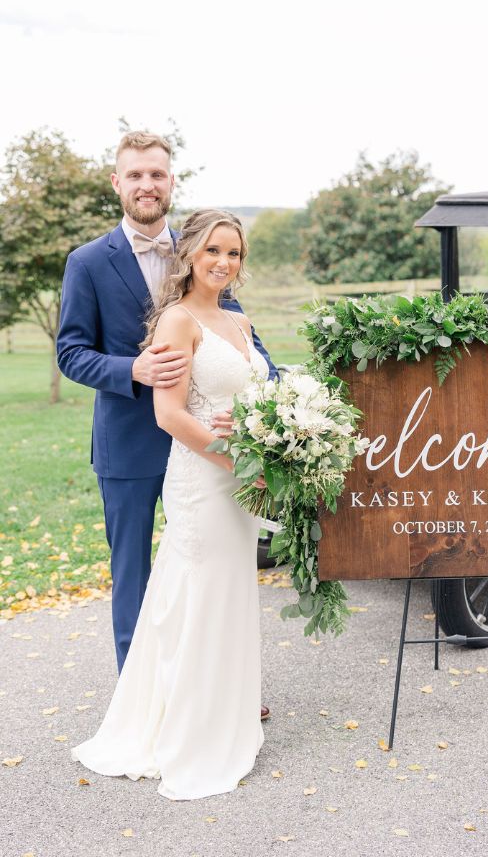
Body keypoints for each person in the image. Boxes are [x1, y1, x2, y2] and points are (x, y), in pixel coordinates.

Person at [56, 132, 276, 724]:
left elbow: (245, 345)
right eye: (135, 176)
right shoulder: (87, 262)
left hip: (207, 449)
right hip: (129, 442)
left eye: (157, 174)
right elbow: (70, 352)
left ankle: (217, 686)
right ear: (118, 184)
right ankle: (140, 703)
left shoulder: (205, 247)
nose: (147, 185)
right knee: (135, 573)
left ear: (170, 182)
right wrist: (135, 368)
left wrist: (272, 407)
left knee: (208, 569)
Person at [72, 209, 269, 799]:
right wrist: (239, 462)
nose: (223, 263)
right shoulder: (177, 323)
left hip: (240, 481)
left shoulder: (238, 320)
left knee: (230, 592)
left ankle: (227, 712)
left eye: (233, 253)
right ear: (189, 256)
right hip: (205, 479)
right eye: (213, 250)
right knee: (193, 595)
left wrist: (275, 436)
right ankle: (185, 727)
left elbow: (262, 389)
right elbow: (169, 414)